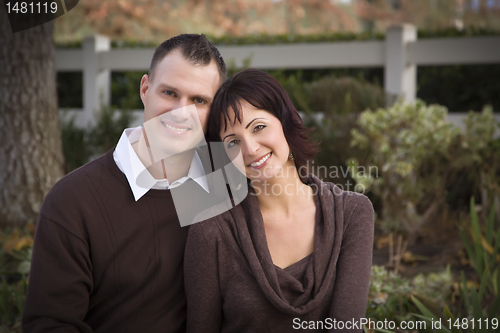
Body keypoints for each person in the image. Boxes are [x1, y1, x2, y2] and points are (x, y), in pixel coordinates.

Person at [23, 34, 227, 333]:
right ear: (145, 89)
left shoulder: (225, 179)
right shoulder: (74, 201)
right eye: (169, 93)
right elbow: (50, 325)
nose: (181, 112)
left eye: (199, 100)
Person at [184, 68, 375, 332]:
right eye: (232, 142)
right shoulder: (210, 230)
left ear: (286, 121)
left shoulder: (352, 213)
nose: (250, 149)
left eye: (259, 127)